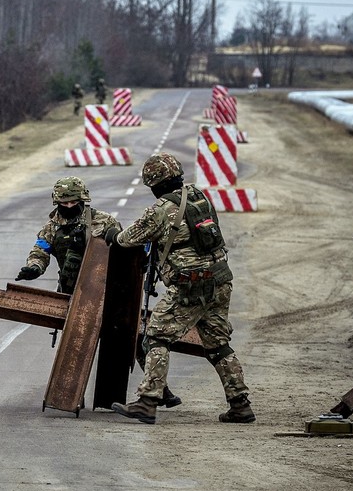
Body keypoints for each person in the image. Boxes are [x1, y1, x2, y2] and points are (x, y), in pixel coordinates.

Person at [102, 153, 255, 425]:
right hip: (220, 279)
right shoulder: (199, 197)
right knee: (218, 344)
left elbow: (128, 239)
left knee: (156, 336)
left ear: (154, 183)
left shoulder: (161, 209)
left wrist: (112, 235)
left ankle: (148, 401)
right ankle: (240, 405)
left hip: (190, 284)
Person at [16, 177, 119, 296]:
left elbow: (120, 246)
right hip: (70, 289)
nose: (69, 206)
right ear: (57, 202)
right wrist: (34, 267)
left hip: (104, 286)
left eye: (74, 202)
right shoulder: (51, 228)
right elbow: (40, 252)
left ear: (82, 200)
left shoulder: (103, 220)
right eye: (65, 203)